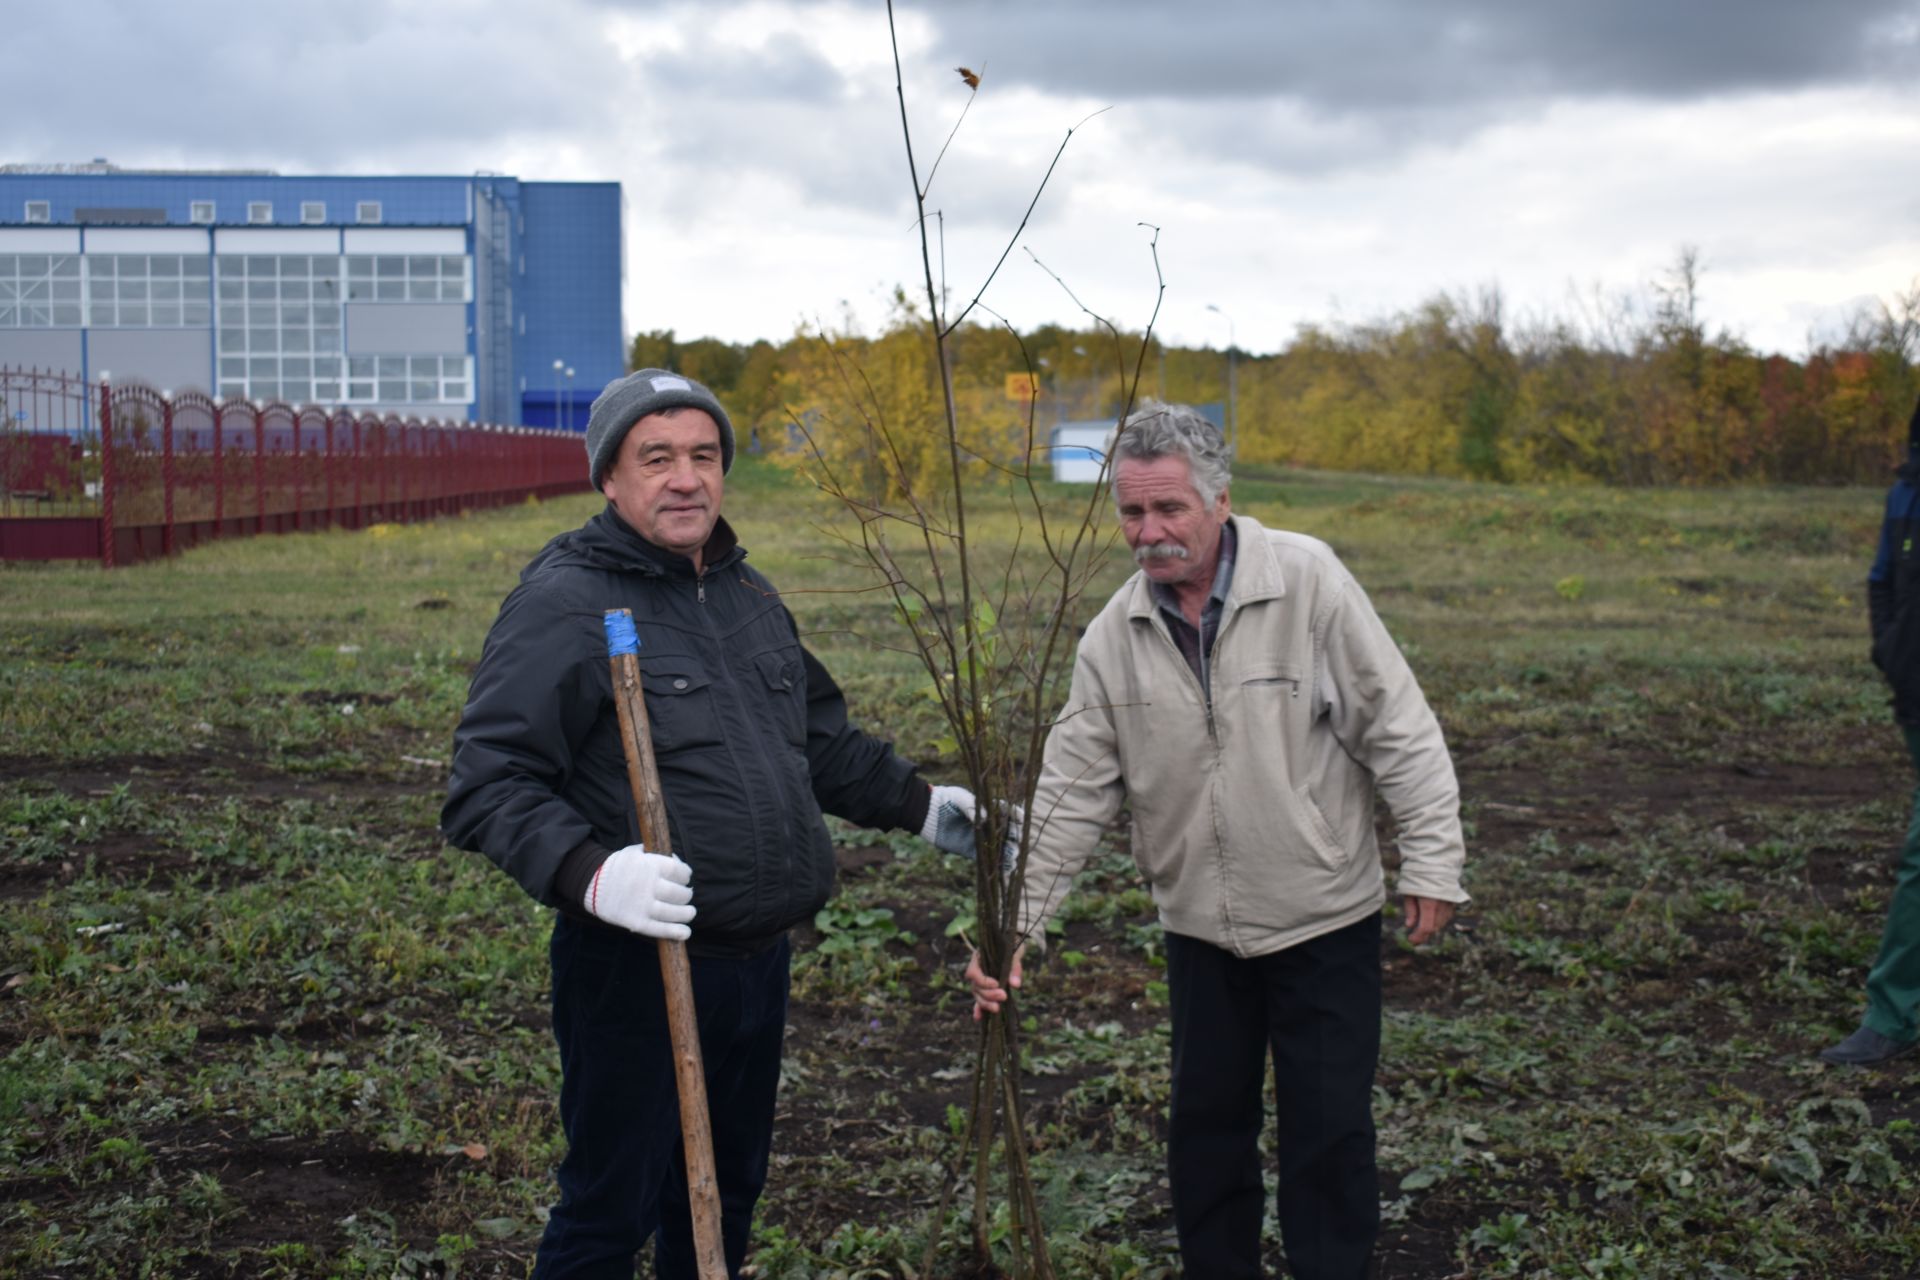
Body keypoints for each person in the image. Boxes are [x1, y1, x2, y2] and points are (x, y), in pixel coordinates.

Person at [442, 369, 980, 1278]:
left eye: (703, 455)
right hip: (638, 968)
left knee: (721, 1200)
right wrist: (592, 875)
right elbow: (486, 782)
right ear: (610, 479)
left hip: (754, 962)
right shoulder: (568, 603)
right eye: (656, 458)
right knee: (608, 1209)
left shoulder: (745, 593)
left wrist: (924, 807)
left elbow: (818, 741)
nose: (684, 478)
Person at [966, 402, 1467, 1280]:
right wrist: (1016, 931)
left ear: (1220, 500)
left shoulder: (1307, 583)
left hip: (1323, 916)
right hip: (1199, 929)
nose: (1150, 534)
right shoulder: (1110, 642)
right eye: (1132, 513)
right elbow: (1069, 797)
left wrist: (1432, 859)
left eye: (1170, 511)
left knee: (1329, 1131)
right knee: (1206, 1133)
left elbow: (1399, 726)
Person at [1822, 393, 1920, 1067]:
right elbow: (1882, 579)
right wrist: (1891, 649)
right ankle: (1894, 1011)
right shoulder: (1906, 493)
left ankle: (1893, 1012)